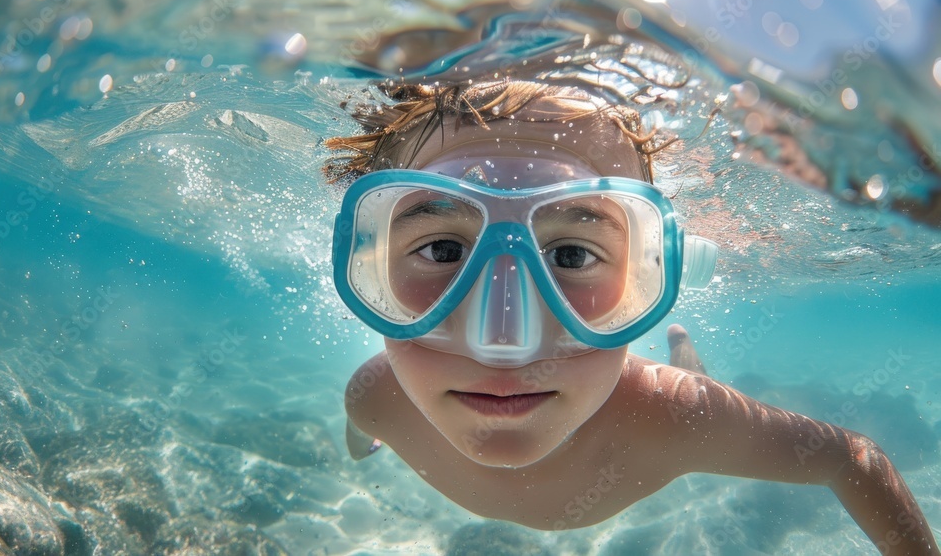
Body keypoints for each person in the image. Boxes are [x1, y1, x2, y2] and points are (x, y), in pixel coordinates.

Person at [325, 77, 938, 553]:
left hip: (681, 402)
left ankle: (681, 347)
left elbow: (849, 459)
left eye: (571, 254)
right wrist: (366, 439)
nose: (503, 343)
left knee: (696, 386)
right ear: (369, 269)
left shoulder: (678, 418)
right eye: (441, 250)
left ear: (642, 280)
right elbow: (363, 428)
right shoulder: (371, 399)